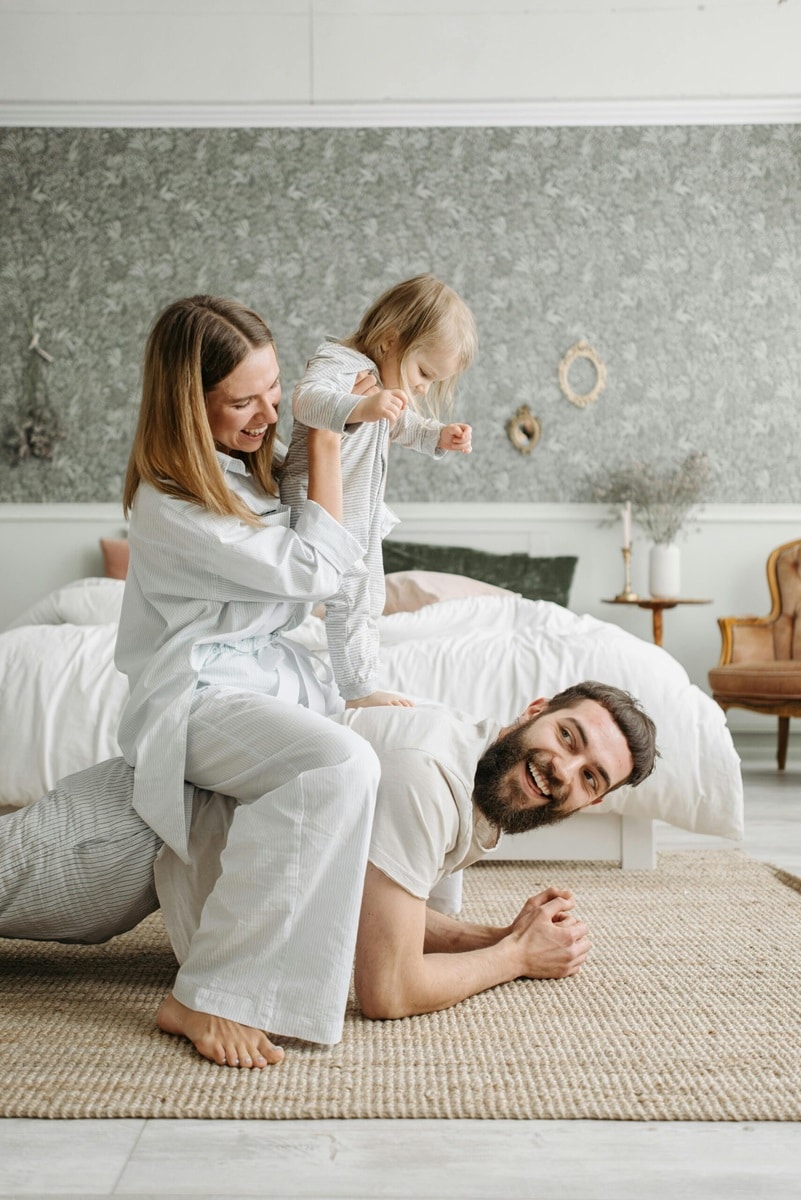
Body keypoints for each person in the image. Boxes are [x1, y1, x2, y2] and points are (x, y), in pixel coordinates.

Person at [0, 682, 657, 1054]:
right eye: (568, 738)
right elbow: (390, 989)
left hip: (155, 872)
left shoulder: (476, 784)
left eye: (590, 778)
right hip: (124, 837)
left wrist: (502, 935)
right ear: (534, 711)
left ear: (592, 803)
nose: (562, 771)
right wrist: (515, 958)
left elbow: (379, 912)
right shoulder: (427, 776)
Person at [113, 294, 383, 1069]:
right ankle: (203, 996)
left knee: (385, 741)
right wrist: (325, 436)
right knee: (340, 764)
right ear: (188, 406)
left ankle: (404, 941)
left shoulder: (249, 477)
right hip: (195, 698)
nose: (268, 414)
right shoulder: (171, 505)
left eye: (274, 392)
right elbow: (312, 571)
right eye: (243, 400)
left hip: (259, 684)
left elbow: (341, 549)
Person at [280, 274, 477, 709]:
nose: (424, 387)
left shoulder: (383, 390)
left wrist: (438, 435)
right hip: (319, 504)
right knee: (348, 593)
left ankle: (359, 681)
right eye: (424, 372)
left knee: (369, 595)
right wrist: (359, 407)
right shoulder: (339, 361)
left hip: (358, 510)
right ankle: (358, 690)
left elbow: (403, 424)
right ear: (390, 341)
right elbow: (306, 400)